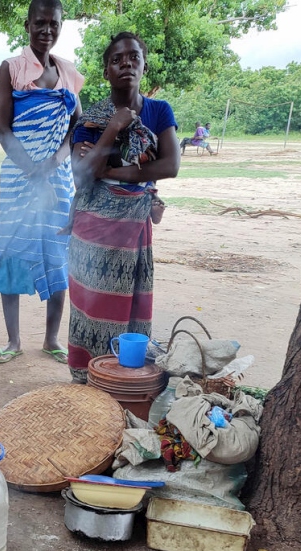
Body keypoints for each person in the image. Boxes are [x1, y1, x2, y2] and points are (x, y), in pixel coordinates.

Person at [66, 32, 181, 380]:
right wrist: (113, 129)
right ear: (106, 71)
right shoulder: (94, 117)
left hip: (135, 227)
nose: (126, 63)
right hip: (94, 231)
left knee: (131, 309)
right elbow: (83, 178)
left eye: (134, 57)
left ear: (144, 65)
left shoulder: (159, 111)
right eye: (117, 59)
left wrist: (112, 169)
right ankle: (87, 381)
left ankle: (122, 382)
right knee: (92, 309)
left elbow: (170, 165)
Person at [0, 0, 83, 365]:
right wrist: (33, 169)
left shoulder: (69, 73)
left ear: (61, 26)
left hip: (57, 181)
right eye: (40, 23)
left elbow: (77, 124)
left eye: (54, 23)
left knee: (57, 252)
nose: (47, 29)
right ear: (27, 25)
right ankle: (13, 341)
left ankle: (51, 339)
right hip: (18, 177)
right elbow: (2, 129)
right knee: (12, 249)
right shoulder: (11, 68)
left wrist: (56, 161)